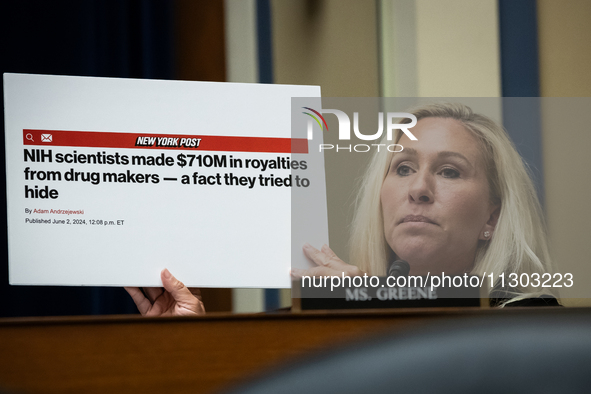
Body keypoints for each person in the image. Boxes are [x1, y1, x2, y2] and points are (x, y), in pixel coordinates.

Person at [126, 102, 558, 315]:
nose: (419, 189)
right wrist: (190, 343)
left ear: (492, 218)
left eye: (448, 172)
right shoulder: (327, 308)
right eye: (403, 168)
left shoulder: (535, 322)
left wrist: (376, 307)